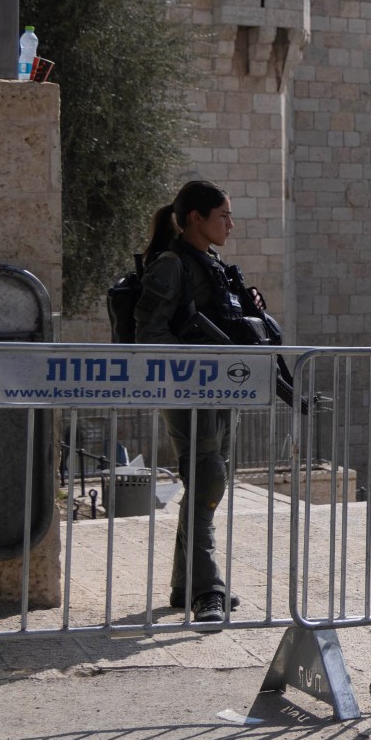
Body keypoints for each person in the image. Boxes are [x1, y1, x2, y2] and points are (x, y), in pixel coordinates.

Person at [132, 180, 264, 623]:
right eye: (223, 215)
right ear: (196, 218)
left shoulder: (211, 263)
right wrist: (194, 367)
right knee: (207, 480)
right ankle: (208, 589)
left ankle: (184, 584)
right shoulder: (171, 265)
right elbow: (150, 332)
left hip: (221, 390)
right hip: (191, 391)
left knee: (211, 480)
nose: (231, 223)